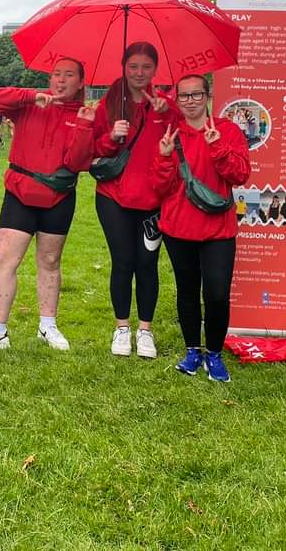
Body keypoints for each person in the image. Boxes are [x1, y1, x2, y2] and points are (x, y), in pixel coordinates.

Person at [0, 57, 95, 352]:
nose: (60, 80)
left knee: (49, 262)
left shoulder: (85, 114)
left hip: (59, 197)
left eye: (69, 75)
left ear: (81, 82)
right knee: (3, 258)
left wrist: (85, 126)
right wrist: (31, 96)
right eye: (56, 74)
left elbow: (77, 162)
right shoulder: (31, 102)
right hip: (20, 192)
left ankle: (48, 327)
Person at [152, 73, 250, 382]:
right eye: (184, 96)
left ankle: (215, 354)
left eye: (197, 95)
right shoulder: (172, 133)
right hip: (178, 227)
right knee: (188, 292)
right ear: (177, 100)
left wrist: (218, 147)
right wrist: (165, 158)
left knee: (218, 295)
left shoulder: (227, 130)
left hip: (218, 230)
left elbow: (240, 175)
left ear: (207, 96)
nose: (191, 101)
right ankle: (193, 350)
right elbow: (160, 187)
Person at [88, 42, 176, 359]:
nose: (139, 73)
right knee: (123, 262)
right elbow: (93, 151)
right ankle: (122, 328)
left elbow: (184, 139)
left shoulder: (165, 105)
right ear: (124, 67)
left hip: (154, 200)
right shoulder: (110, 105)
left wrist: (171, 113)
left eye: (146, 67)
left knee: (147, 264)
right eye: (133, 66)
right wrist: (111, 136)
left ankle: (146, 331)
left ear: (155, 69)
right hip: (113, 198)